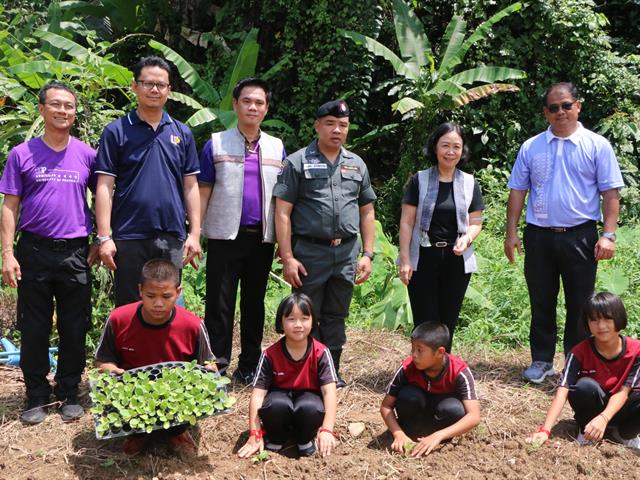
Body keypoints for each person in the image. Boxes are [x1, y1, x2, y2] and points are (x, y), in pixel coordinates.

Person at [505, 82, 624, 383]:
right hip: (539, 235)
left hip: (581, 236)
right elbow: (518, 191)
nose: (561, 112)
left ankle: (575, 362)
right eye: (554, 108)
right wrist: (511, 233)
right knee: (541, 298)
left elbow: (611, 193)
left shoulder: (597, 145)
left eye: (566, 105)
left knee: (580, 303)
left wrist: (608, 235)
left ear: (578, 106)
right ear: (546, 112)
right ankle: (542, 360)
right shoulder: (531, 147)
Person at [0, 81, 97, 425]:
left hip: (75, 252)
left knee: (75, 325)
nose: (63, 111)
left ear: (74, 113)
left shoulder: (87, 154)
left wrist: (101, 238)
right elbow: (10, 205)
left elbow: (104, 197)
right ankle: (36, 394)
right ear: (42, 109)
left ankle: (69, 391)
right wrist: (7, 253)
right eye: (55, 104)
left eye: (69, 106)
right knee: (35, 326)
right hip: (34, 250)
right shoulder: (21, 154)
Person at [273, 99, 376, 387]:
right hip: (309, 253)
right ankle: (305, 373)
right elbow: (282, 212)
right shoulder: (297, 162)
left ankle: (332, 372)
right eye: (330, 124)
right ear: (317, 126)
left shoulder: (356, 164)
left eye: (342, 125)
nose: (337, 130)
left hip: (345, 253)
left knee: (336, 315)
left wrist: (368, 253)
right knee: (305, 315)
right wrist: (288, 256)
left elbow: (367, 210)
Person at [95, 56, 201, 307]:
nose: (154, 89)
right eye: (148, 83)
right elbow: (104, 186)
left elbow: (191, 185)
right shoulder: (117, 131)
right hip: (129, 235)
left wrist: (195, 233)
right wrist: (104, 237)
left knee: (169, 305)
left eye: (161, 85)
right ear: (135, 86)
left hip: (171, 234)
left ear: (169, 90)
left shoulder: (181, 132)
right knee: (130, 307)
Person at [198, 77, 285, 384]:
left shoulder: (277, 147)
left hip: (260, 239)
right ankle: (216, 366)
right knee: (219, 305)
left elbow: (283, 198)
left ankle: (249, 364)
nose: (252, 107)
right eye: (246, 101)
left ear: (266, 108)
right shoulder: (216, 143)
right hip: (224, 236)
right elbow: (203, 190)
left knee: (253, 303)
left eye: (259, 102)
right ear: (235, 105)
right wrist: (195, 232)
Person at [95, 259, 216, 455]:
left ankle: (177, 431)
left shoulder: (192, 325)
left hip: (176, 392)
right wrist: (113, 371)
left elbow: (208, 364)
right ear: (140, 290)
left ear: (178, 292)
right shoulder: (119, 318)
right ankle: (136, 434)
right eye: (151, 295)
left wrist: (208, 374)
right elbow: (103, 360)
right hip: (133, 391)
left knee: (189, 404)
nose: (158, 303)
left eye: (166, 296)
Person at [398, 122, 484, 351]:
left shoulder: (469, 182)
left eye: (456, 146)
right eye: (445, 145)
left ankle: (443, 371)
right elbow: (406, 222)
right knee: (426, 320)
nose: (450, 152)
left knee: (448, 321)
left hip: (456, 259)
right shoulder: (419, 180)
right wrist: (405, 259)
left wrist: (467, 238)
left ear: (463, 150)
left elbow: (476, 222)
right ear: (435, 147)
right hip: (423, 257)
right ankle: (421, 369)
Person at [526, 292, 640, 448]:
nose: (601, 326)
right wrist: (544, 430)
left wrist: (604, 418)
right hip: (593, 410)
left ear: (619, 318)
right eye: (594, 320)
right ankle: (586, 431)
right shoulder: (578, 352)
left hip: (622, 410)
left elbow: (624, 391)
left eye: (607, 318)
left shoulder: (636, 350)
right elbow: (562, 392)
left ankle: (624, 434)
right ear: (587, 323)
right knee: (584, 387)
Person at [237, 293, 338, 458]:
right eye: (291, 319)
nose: (298, 325)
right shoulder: (270, 354)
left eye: (304, 318)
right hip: (279, 402)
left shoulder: (321, 352)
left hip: (308, 401)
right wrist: (255, 433)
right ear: (281, 322)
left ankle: (305, 439)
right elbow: (257, 395)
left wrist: (327, 429)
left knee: (310, 407)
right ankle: (276, 437)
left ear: (313, 321)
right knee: (276, 404)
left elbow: (329, 392)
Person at [380, 323, 480, 457]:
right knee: (408, 396)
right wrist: (398, 434)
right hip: (411, 425)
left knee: (454, 409)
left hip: (441, 428)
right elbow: (386, 406)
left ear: (440, 352)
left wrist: (438, 435)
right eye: (412, 348)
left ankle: (434, 441)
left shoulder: (459, 371)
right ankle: (409, 437)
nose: (413, 355)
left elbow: (474, 417)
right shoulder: (407, 367)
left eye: (420, 350)